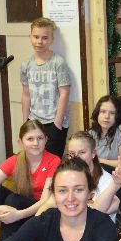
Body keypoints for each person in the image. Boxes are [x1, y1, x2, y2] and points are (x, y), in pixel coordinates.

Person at [35, 132, 117, 218]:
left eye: (82, 152)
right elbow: (49, 204)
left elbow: (94, 214)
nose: (76, 157)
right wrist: (36, 221)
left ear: (93, 153)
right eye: (72, 153)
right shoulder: (66, 175)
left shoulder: (107, 181)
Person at [21, 17, 71, 157]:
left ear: (51, 39)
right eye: (36, 37)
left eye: (44, 38)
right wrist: (25, 123)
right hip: (34, 121)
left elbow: (64, 93)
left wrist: (57, 124)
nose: (39, 41)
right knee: (33, 159)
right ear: (30, 37)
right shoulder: (26, 65)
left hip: (54, 122)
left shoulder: (58, 63)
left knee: (51, 162)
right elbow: (26, 94)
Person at [88, 94, 121, 169]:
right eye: (103, 112)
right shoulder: (91, 133)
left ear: (117, 116)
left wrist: (98, 160)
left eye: (112, 113)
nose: (107, 116)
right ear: (97, 113)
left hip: (115, 173)